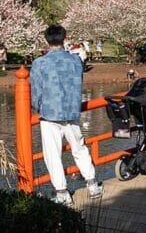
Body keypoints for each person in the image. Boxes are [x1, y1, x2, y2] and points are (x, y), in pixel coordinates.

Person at [30, 25, 103, 205]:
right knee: (79, 148)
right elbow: (79, 83)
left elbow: (36, 92)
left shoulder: (40, 63)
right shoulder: (76, 61)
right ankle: (92, 183)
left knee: (52, 154)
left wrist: (37, 106)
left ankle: (62, 192)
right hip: (71, 111)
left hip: (49, 113)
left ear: (46, 40)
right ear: (64, 38)